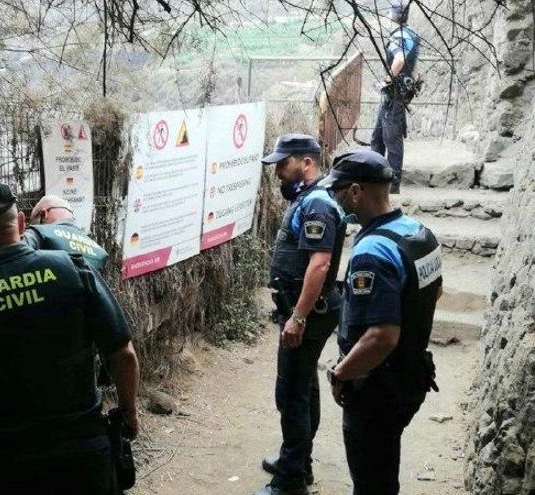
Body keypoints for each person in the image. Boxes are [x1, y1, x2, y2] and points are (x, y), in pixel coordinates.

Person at [0, 181, 140, 495]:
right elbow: (123, 354)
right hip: (84, 454)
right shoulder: (73, 270)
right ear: (22, 222)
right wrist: (129, 413)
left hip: (9, 464)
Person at [322, 150, 441, 495]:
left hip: (378, 388)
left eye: (338, 190)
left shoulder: (372, 252)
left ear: (356, 191)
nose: (335, 197)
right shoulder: (420, 234)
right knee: (384, 467)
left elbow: (381, 337)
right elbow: (434, 293)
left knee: (371, 480)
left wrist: (340, 373)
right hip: (411, 375)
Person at [256, 134, 346, 495]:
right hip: (305, 308)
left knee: (291, 391)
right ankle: (298, 461)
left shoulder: (318, 205)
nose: (277, 171)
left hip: (309, 310)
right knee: (303, 385)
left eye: (283, 163)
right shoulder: (309, 199)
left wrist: (298, 317)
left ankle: (291, 480)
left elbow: (320, 264)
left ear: (306, 162)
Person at [371, 3, 421, 194]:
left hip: (394, 92)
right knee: (377, 139)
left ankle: (392, 188)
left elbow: (399, 60)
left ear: (393, 14)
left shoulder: (400, 35)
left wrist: (386, 79)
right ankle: (374, 180)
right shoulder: (410, 33)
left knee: (391, 139)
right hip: (396, 92)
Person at [23, 195, 109, 272]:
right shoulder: (100, 252)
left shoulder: (38, 232)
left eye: (34, 222)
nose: (34, 225)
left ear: (43, 214)